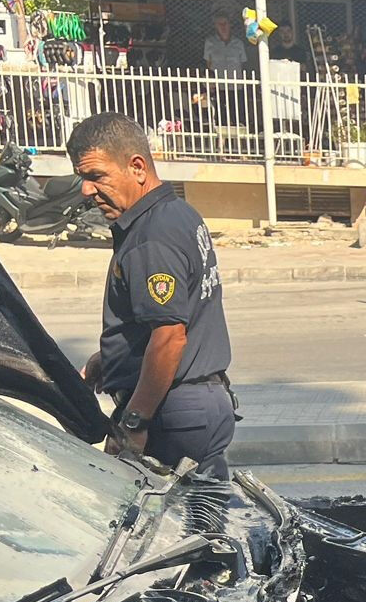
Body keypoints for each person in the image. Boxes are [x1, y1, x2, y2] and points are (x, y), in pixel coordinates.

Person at [67, 112, 238, 479]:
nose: (86, 190)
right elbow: (172, 317)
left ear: (138, 167)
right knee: (204, 527)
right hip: (196, 406)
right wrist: (111, 358)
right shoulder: (177, 213)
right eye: (82, 179)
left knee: (164, 532)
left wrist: (133, 422)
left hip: (171, 413)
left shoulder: (152, 236)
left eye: (96, 176)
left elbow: (169, 337)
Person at [202, 9, 247, 74]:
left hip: (235, 82)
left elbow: (243, 65)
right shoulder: (210, 42)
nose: (223, 26)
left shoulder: (239, 43)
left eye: (225, 23)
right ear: (215, 26)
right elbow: (208, 64)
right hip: (218, 82)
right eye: (220, 24)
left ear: (230, 24)